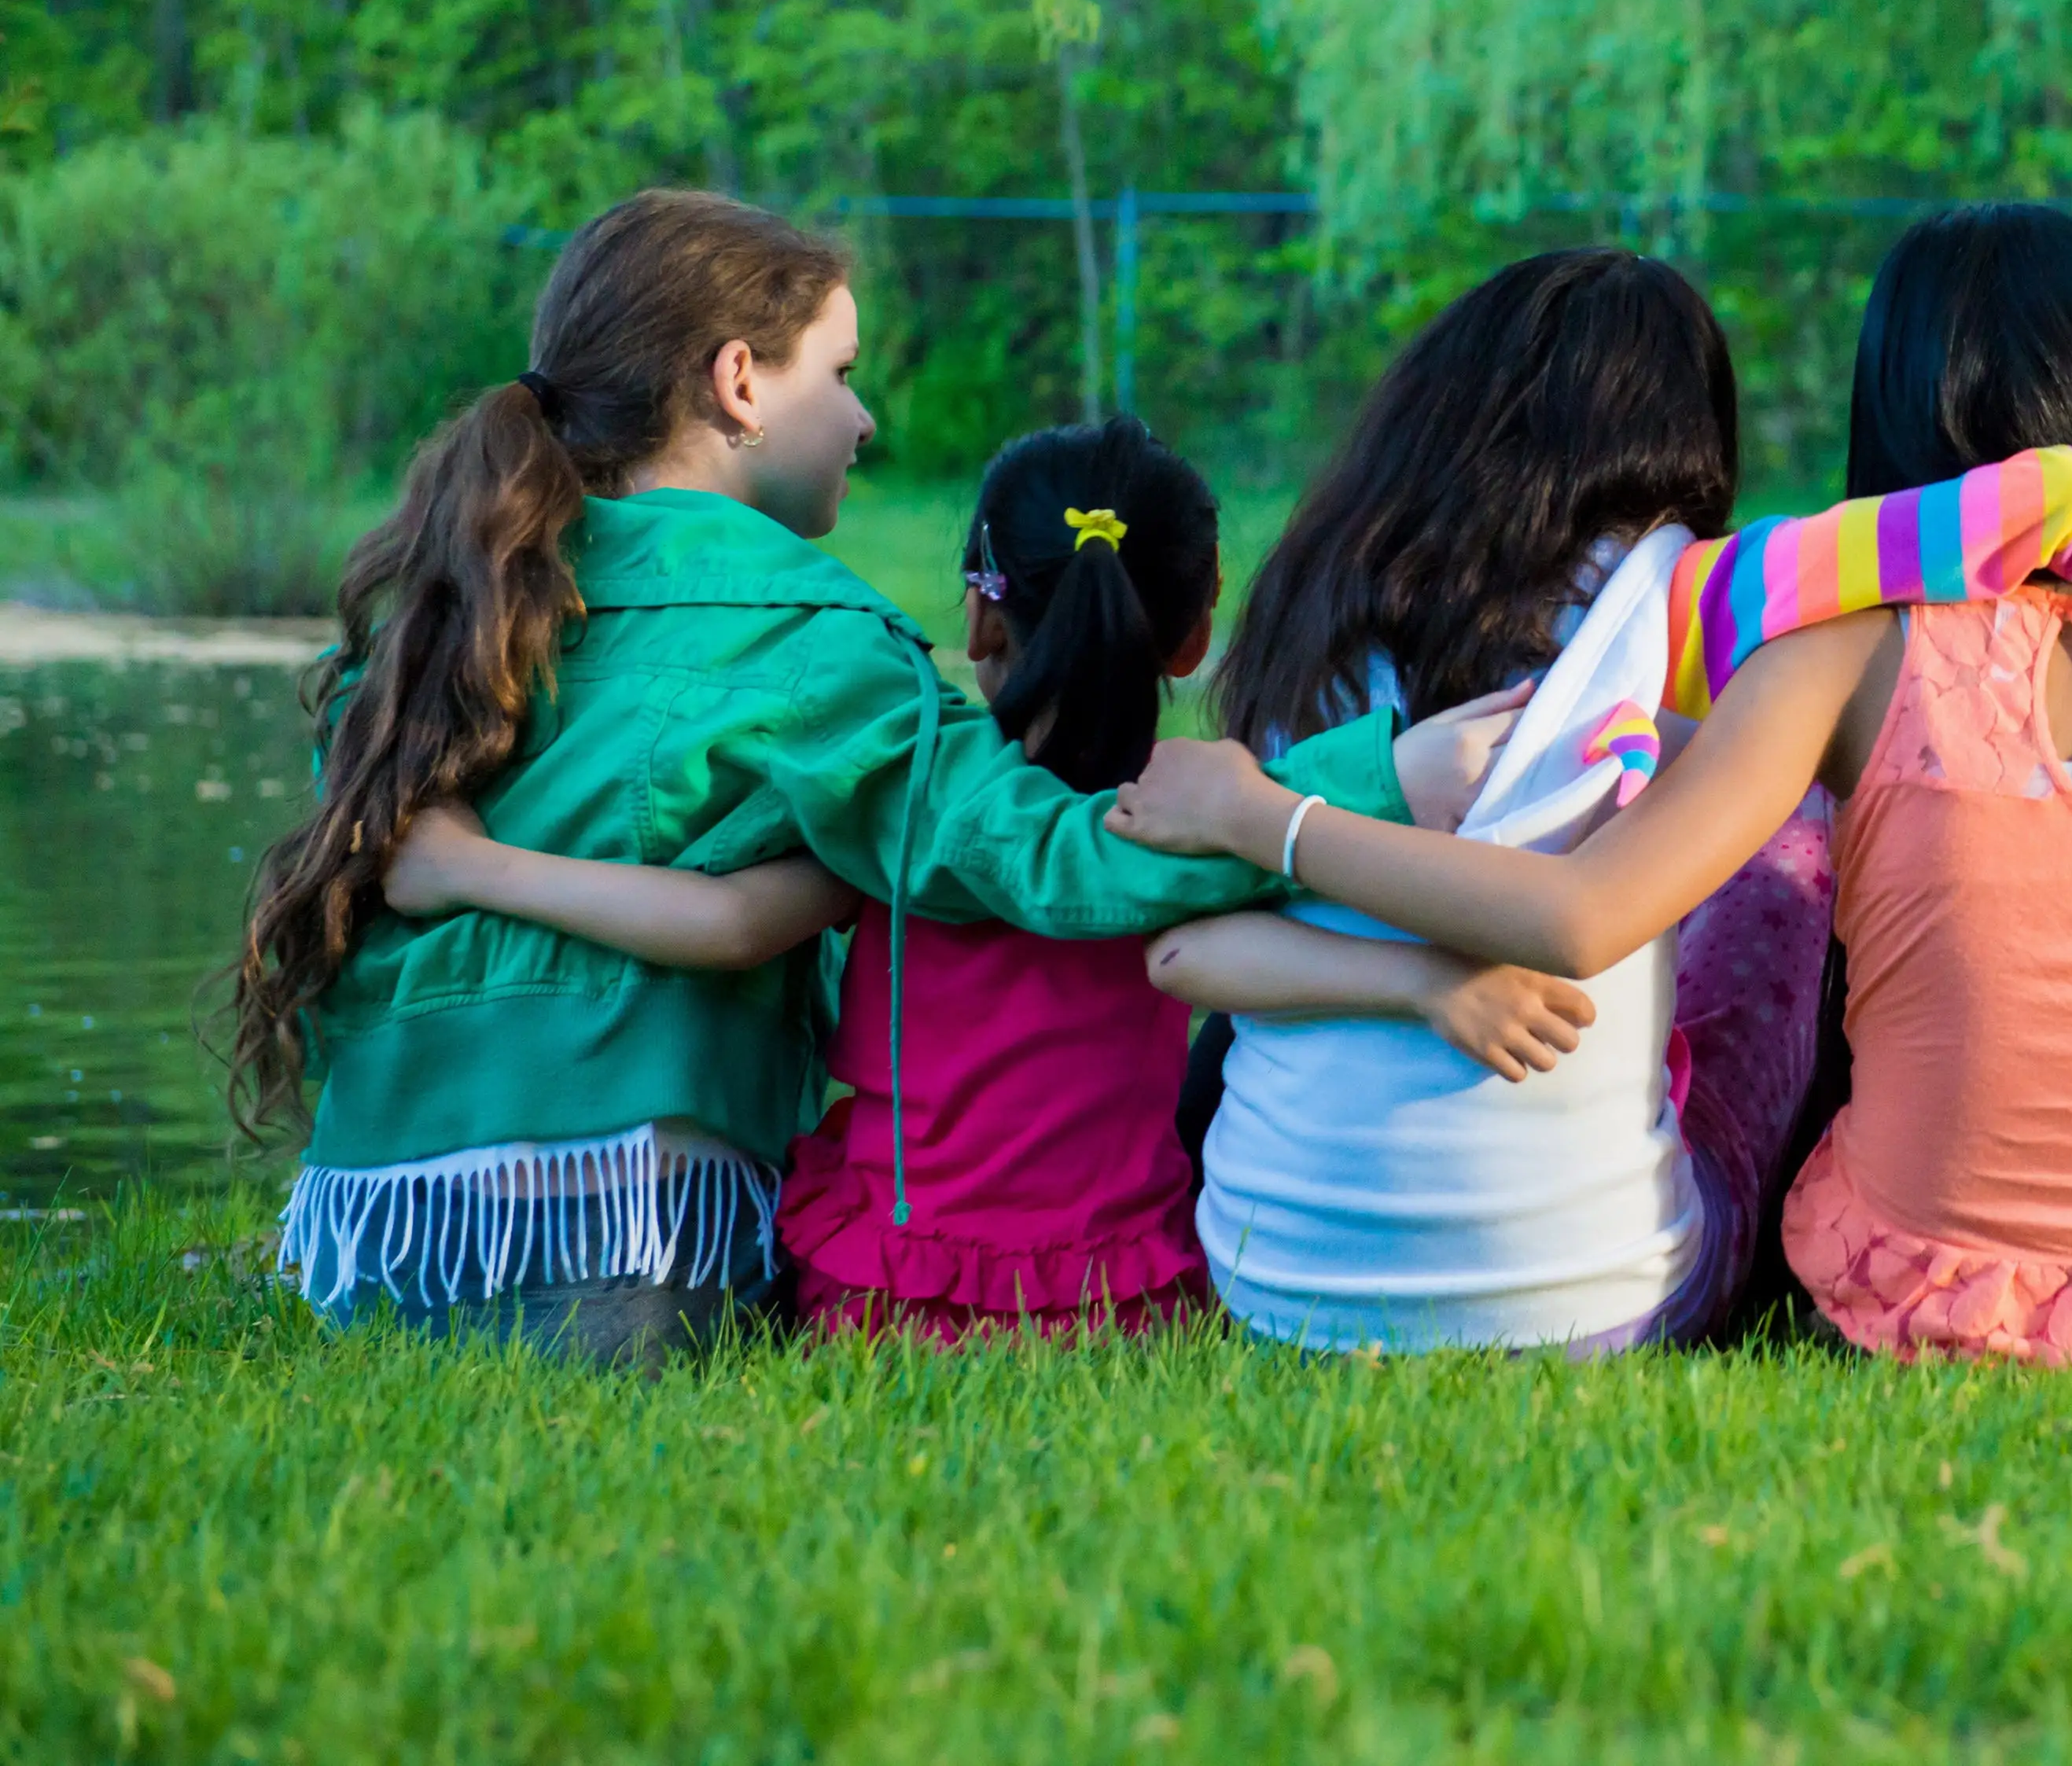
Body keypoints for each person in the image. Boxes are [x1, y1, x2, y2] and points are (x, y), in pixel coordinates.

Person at [1118, 205, 2072, 1370]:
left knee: (1781, 842)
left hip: (1885, 1290)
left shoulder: (1802, 640)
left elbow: (1520, 919)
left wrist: (1269, 816)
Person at [232, 192, 1287, 1368]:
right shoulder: (818, 635)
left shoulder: (446, 600)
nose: (865, 417)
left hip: (372, 1228)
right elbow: (1026, 850)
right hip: (625, 1231)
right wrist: (1351, 797)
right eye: (839, 373)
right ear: (740, 380)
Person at [384, 418, 1548, 1340]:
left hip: (877, 1297)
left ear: (981, 610)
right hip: (1118, 1298)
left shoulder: (902, 779)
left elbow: (729, 918)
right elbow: (1194, 953)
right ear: (1192, 635)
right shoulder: (1214, 819)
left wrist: (473, 864)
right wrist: (1388, 820)